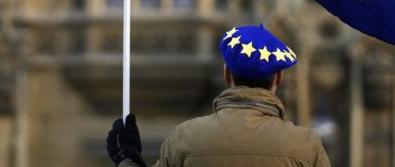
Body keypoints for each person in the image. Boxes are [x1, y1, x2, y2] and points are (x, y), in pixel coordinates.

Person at [106, 24, 331, 166]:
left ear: (226, 73)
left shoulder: (185, 138)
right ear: (279, 78)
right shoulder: (305, 147)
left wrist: (127, 158)